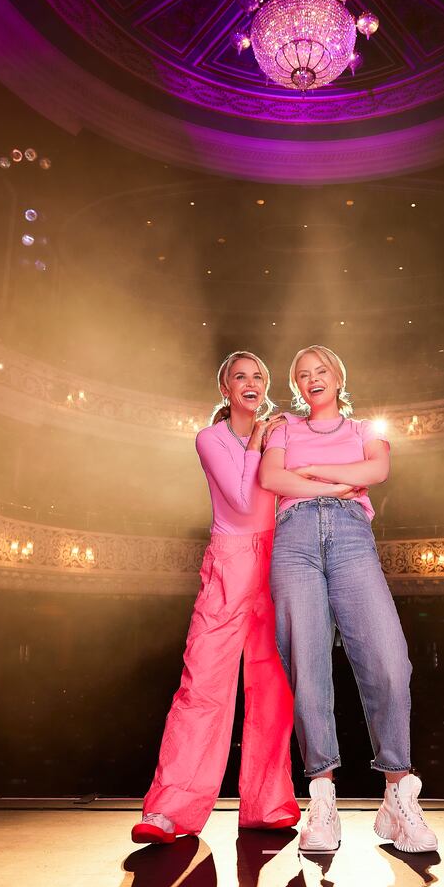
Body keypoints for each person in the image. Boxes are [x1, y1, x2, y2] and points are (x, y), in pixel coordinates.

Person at [260, 345, 437, 854]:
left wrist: (312, 473)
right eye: (302, 374)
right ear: (296, 385)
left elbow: (376, 471)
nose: (312, 379)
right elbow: (271, 479)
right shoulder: (283, 428)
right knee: (308, 666)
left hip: (351, 536)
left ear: (338, 376)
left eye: (321, 370)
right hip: (294, 540)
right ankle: (321, 801)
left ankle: (398, 797)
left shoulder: (366, 428)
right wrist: (339, 479)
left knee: (389, 662)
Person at [132, 350, 313, 844]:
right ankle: (169, 811)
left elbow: (302, 484)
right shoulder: (210, 438)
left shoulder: (281, 434)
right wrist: (257, 440)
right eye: (240, 377)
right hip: (230, 563)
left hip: (278, 558)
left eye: (258, 376)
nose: (251, 383)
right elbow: (242, 498)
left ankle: (269, 803)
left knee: (274, 688)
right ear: (226, 388)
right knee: (202, 685)